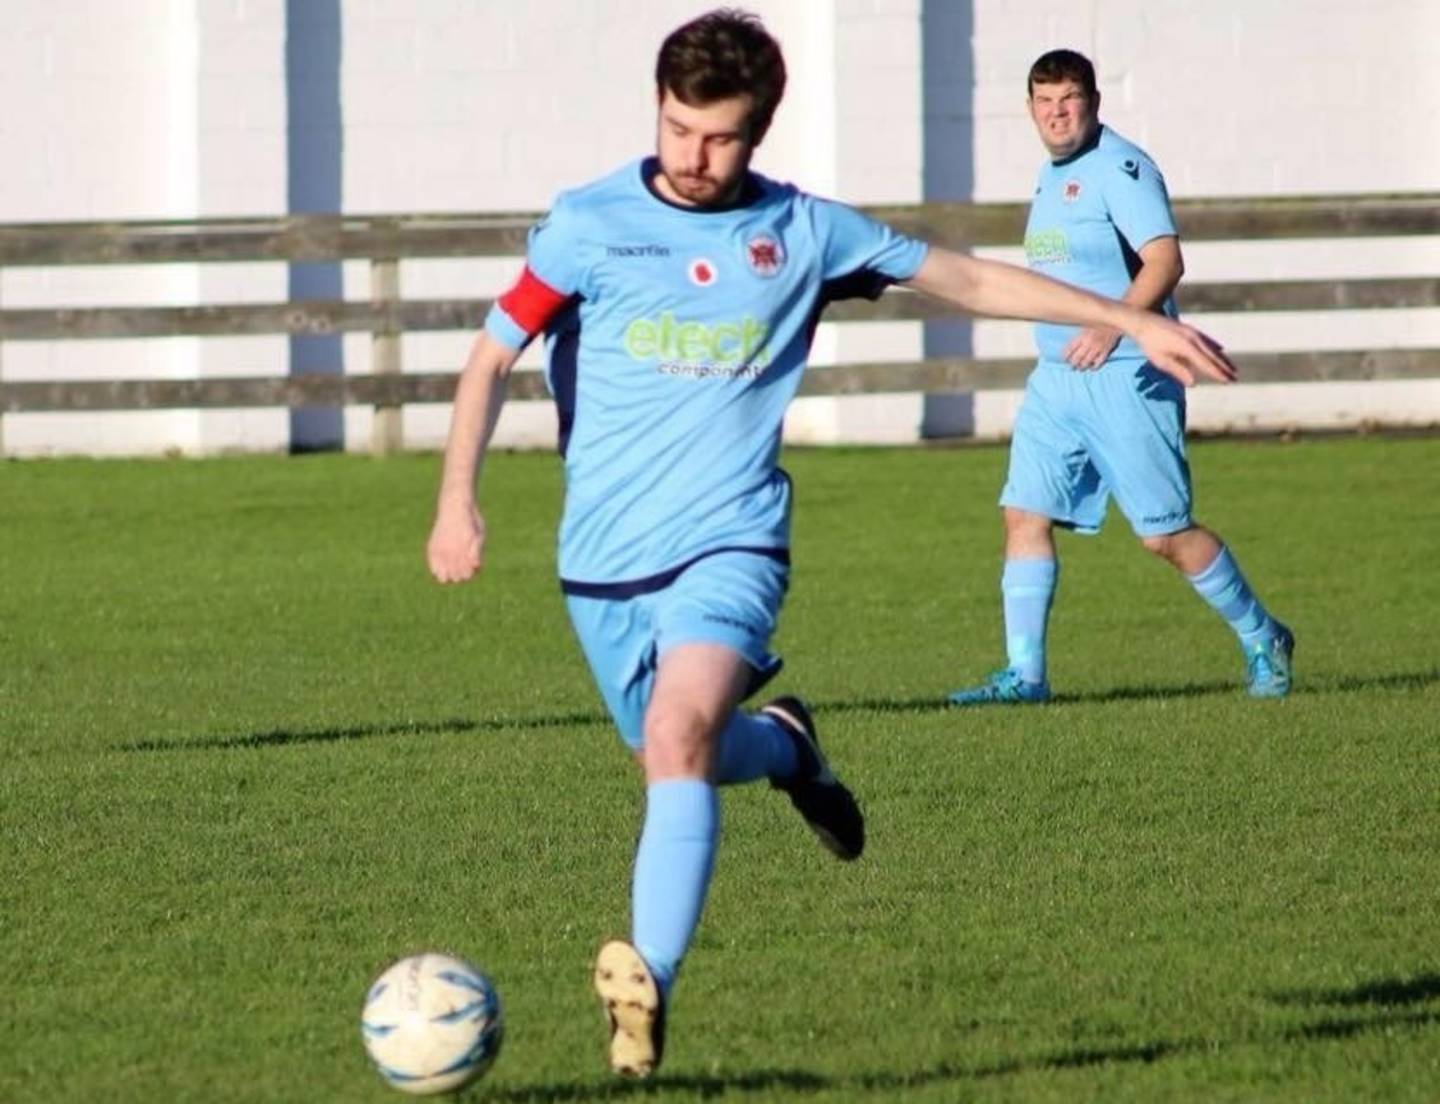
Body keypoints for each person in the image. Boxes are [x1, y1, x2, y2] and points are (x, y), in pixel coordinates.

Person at [426, 12, 1234, 1079]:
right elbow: (489, 360)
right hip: (601, 560)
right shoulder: (586, 225)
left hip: (732, 544)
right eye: (675, 129)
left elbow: (972, 279)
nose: (691, 157)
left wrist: (1131, 320)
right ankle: (791, 748)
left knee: (674, 740)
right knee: (685, 756)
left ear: (757, 131)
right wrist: (457, 501)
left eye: (716, 138)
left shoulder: (803, 233)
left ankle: (647, 982)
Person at [949, 48, 1293, 708]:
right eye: (1045, 102)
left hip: (1127, 373)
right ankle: (1025, 677)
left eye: (1069, 99)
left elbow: (1165, 262)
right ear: (1029, 110)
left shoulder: (1122, 168)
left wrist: (1115, 325)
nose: (1058, 113)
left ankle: (1263, 635)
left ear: (1094, 102)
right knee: (1024, 515)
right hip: (1056, 379)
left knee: (1163, 533)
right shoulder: (1050, 177)